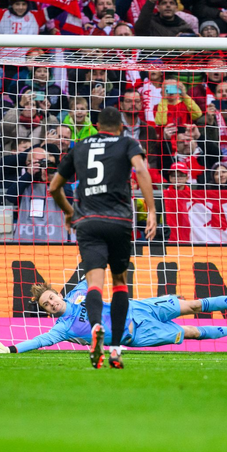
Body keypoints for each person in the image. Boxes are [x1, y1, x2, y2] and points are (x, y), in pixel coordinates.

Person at [49, 107, 157, 369]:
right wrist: (151, 209)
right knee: (119, 282)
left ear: (96, 125)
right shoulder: (127, 143)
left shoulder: (81, 145)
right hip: (119, 221)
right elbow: (141, 170)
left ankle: (95, 326)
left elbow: (54, 187)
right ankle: (117, 349)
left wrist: (69, 212)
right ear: (121, 127)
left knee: (93, 283)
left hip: (88, 222)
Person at [0, 281, 227, 354]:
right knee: (193, 333)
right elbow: (39, 341)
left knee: (194, 305)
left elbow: (92, 268)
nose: (52, 304)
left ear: (56, 293)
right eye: (47, 306)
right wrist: (12, 349)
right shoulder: (61, 329)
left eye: (51, 297)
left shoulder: (77, 292)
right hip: (136, 335)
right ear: (47, 311)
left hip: (139, 308)